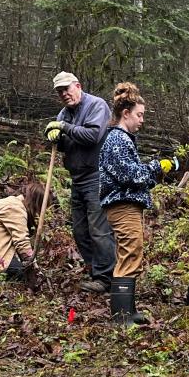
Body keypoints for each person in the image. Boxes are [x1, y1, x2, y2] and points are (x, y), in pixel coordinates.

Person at [98, 82, 178, 324]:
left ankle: (128, 311)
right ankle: (121, 316)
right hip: (122, 206)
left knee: (132, 254)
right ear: (126, 114)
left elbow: (137, 178)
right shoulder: (117, 140)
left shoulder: (124, 139)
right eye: (139, 115)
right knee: (129, 253)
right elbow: (130, 175)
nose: (142, 120)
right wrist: (156, 166)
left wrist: (156, 172)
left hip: (128, 205)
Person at [45, 72, 115, 293]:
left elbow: (92, 136)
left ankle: (107, 278)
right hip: (77, 178)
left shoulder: (97, 106)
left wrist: (63, 128)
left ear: (78, 86)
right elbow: (68, 144)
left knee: (99, 229)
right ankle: (96, 271)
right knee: (79, 230)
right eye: (60, 91)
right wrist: (55, 139)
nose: (64, 94)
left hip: (97, 176)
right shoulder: (63, 114)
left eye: (67, 88)